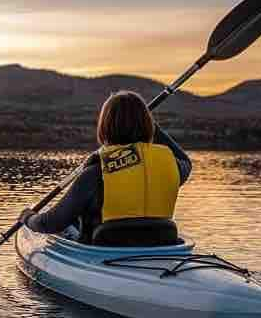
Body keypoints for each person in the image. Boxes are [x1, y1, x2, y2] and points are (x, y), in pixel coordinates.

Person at [18, 90, 192, 245]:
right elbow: (186, 161)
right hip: (160, 242)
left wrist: (28, 218)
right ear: (149, 125)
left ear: (105, 126)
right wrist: (153, 127)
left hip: (104, 249)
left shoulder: (95, 173)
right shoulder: (173, 166)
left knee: (61, 219)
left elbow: (51, 223)